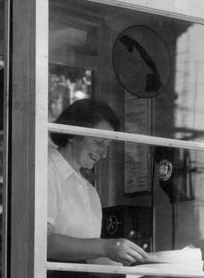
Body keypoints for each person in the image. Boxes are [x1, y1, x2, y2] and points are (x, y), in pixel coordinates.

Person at [47, 98, 148, 266]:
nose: (104, 153)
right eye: (99, 142)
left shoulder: (89, 191)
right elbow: (41, 242)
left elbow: (93, 259)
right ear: (73, 134)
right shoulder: (46, 169)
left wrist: (135, 264)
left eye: (107, 145)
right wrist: (107, 246)